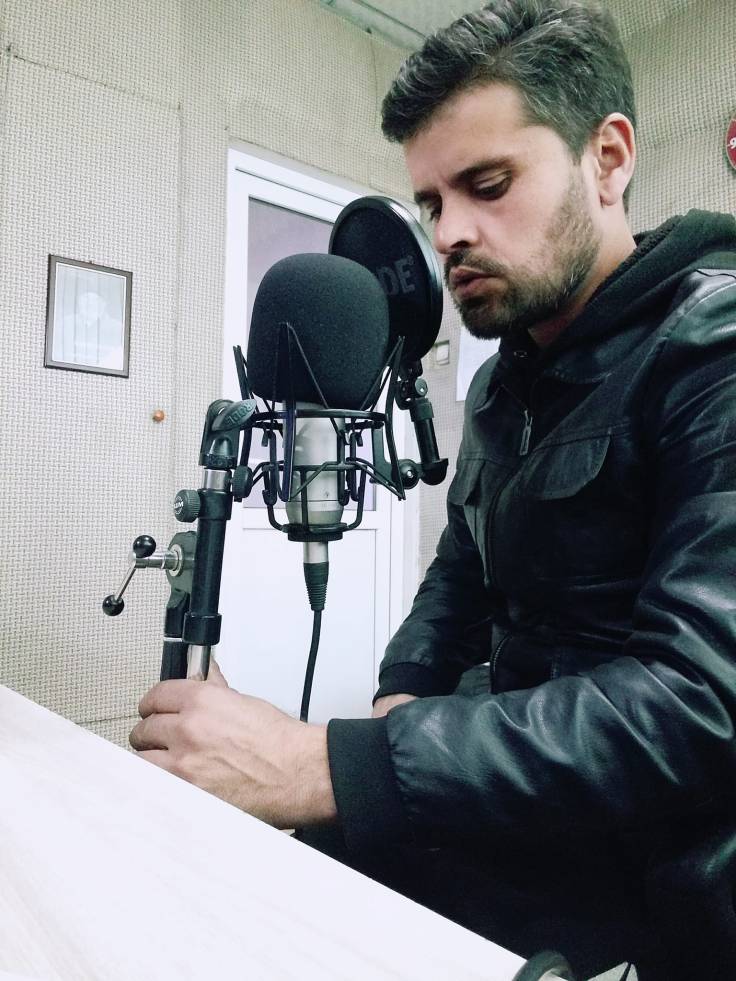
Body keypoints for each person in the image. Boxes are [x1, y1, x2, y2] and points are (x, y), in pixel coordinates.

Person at [129, 2, 736, 977]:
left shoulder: (713, 352)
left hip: (661, 871)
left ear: (608, 159)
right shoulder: (503, 385)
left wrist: (325, 763)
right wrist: (399, 694)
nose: (450, 234)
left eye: (487, 186)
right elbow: (459, 578)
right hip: (517, 807)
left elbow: (699, 705)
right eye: (431, 204)